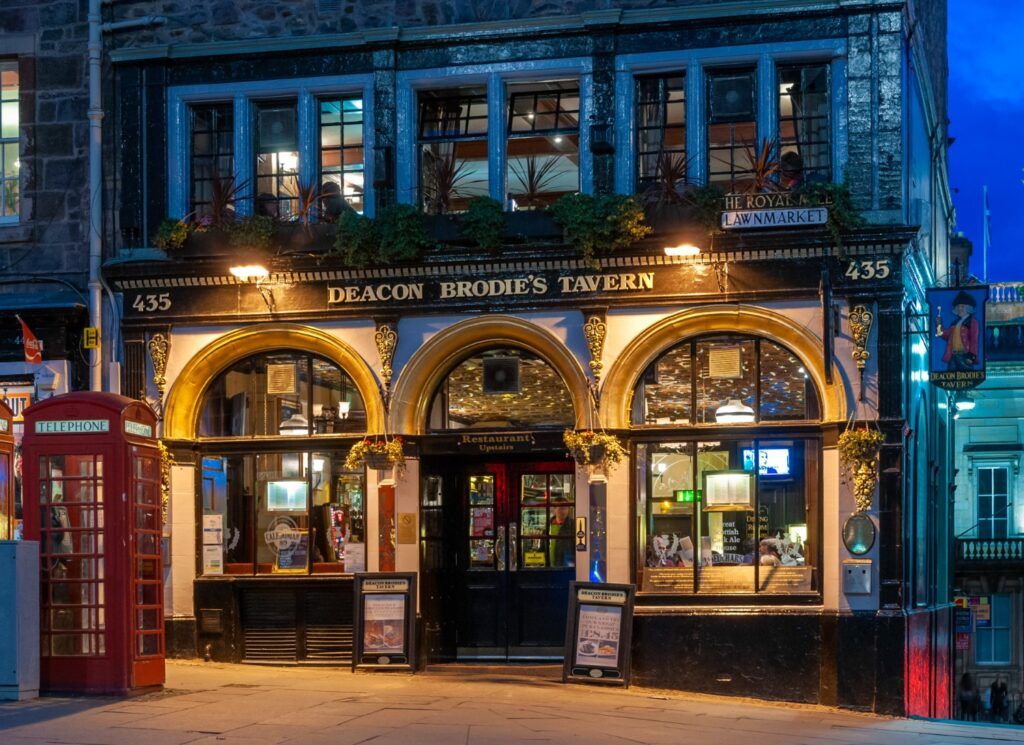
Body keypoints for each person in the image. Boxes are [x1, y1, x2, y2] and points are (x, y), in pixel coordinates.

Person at [938, 291, 981, 372]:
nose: (960, 309)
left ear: (969, 308)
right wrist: (939, 324)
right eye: (958, 307)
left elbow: (974, 341)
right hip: (953, 356)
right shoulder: (954, 323)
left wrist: (971, 357)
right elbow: (944, 335)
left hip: (965, 357)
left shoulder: (972, 322)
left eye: (962, 306)